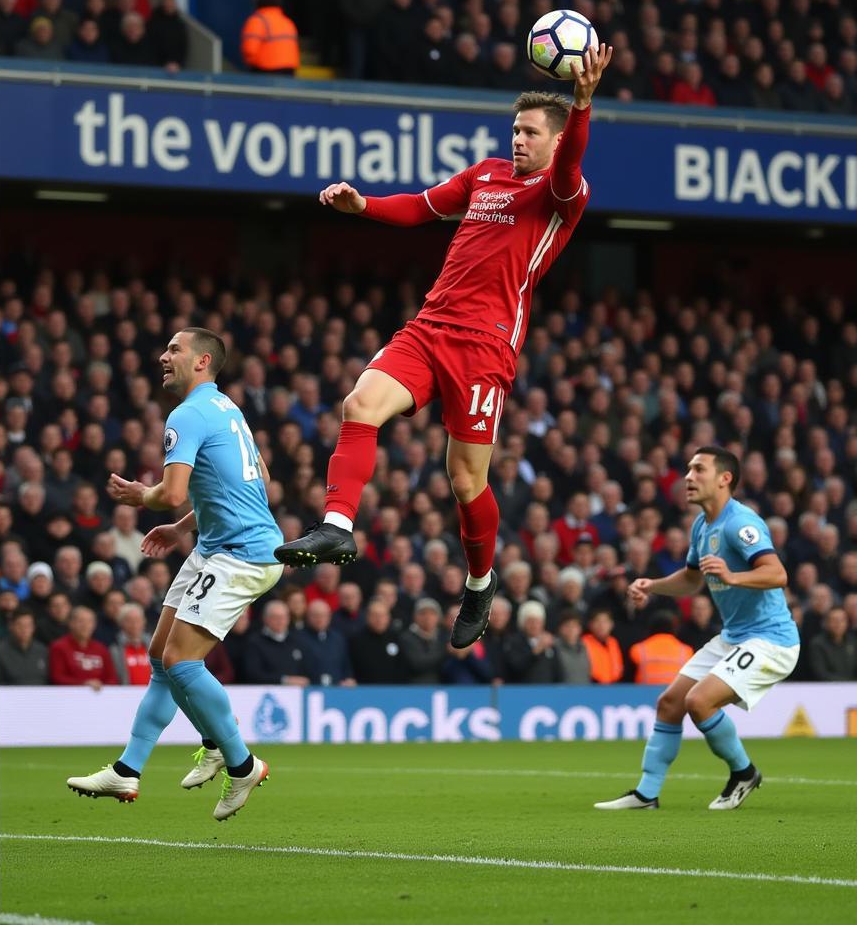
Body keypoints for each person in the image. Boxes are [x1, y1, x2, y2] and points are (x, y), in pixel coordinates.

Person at [275, 45, 613, 660]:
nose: (518, 139)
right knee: (360, 404)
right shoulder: (484, 174)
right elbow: (424, 206)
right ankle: (337, 527)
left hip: (485, 348)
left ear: (557, 140)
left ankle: (480, 585)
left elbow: (567, 171)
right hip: (431, 326)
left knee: (464, 481)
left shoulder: (563, 193)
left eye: (531, 132)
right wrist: (364, 206)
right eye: (515, 129)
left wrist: (583, 105)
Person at [67, 328, 283, 821]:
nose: (163, 356)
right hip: (213, 547)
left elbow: (168, 490)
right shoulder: (228, 409)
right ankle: (128, 769)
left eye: (174, 350)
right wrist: (185, 526)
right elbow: (260, 480)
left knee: (183, 663)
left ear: (203, 361)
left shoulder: (186, 414)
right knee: (162, 658)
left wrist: (139, 496)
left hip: (242, 555)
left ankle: (240, 762)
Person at [595, 446, 800, 812]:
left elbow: (777, 573)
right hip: (735, 637)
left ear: (725, 479)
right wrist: (652, 585)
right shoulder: (702, 525)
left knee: (698, 701)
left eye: (698, 469)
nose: (687, 477)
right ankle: (646, 794)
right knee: (670, 703)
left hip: (771, 640)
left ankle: (744, 772)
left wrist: (732, 575)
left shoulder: (742, 523)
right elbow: (691, 581)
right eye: (688, 469)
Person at [240, 0, 300, 74]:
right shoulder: (288, 22)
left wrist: (252, 63)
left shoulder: (257, 20)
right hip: (289, 69)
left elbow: (249, 49)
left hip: (266, 70)